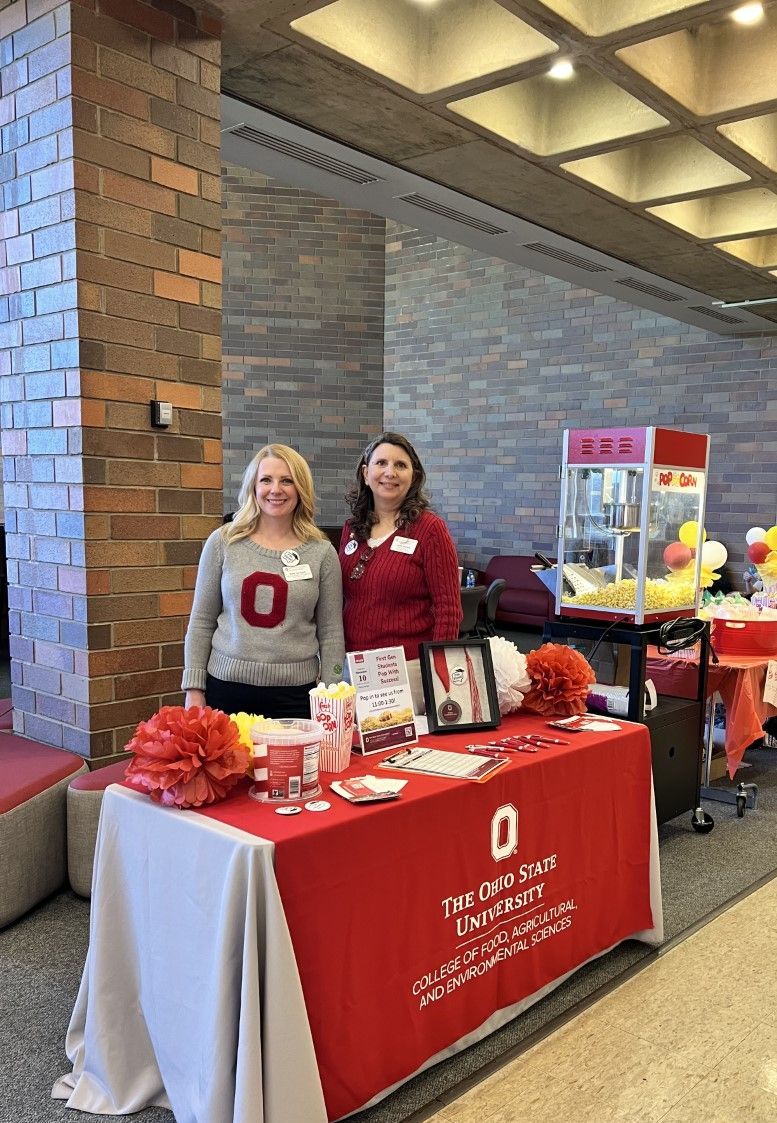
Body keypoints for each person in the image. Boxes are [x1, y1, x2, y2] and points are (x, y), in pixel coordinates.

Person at [182, 444, 345, 718]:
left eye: (287, 481)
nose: (275, 489)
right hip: (225, 690)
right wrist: (194, 689)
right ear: (253, 487)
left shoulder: (322, 552)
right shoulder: (223, 542)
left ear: (300, 488)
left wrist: (332, 693)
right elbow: (201, 621)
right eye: (266, 480)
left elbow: (331, 633)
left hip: (296, 697)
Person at [339, 431, 462, 712]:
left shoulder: (430, 529)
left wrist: (438, 674)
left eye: (400, 465)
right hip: (353, 667)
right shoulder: (352, 528)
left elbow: (449, 610)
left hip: (407, 671)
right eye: (381, 463)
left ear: (414, 475)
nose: (389, 473)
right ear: (366, 472)